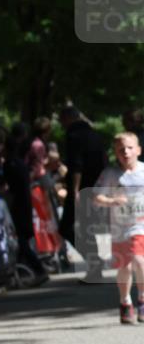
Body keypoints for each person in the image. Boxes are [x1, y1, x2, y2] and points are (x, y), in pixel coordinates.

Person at [93, 133, 144, 324]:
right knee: (125, 267)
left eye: (130, 148)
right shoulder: (110, 174)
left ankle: (142, 299)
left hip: (140, 226)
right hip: (119, 227)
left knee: (139, 260)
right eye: (121, 149)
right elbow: (96, 197)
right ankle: (125, 302)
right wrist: (113, 200)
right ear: (116, 152)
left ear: (138, 150)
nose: (126, 152)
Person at [58, 105, 108, 281]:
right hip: (96, 187)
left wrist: (75, 190)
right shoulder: (94, 135)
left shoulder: (74, 136)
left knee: (66, 227)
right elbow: (104, 161)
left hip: (81, 188)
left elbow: (76, 165)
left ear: (67, 119)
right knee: (87, 227)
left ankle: (94, 263)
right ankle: (95, 267)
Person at [3, 122, 49, 285]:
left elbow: (9, 185)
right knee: (21, 239)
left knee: (21, 239)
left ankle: (37, 269)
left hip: (17, 205)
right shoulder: (20, 164)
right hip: (23, 203)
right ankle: (23, 271)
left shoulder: (11, 164)